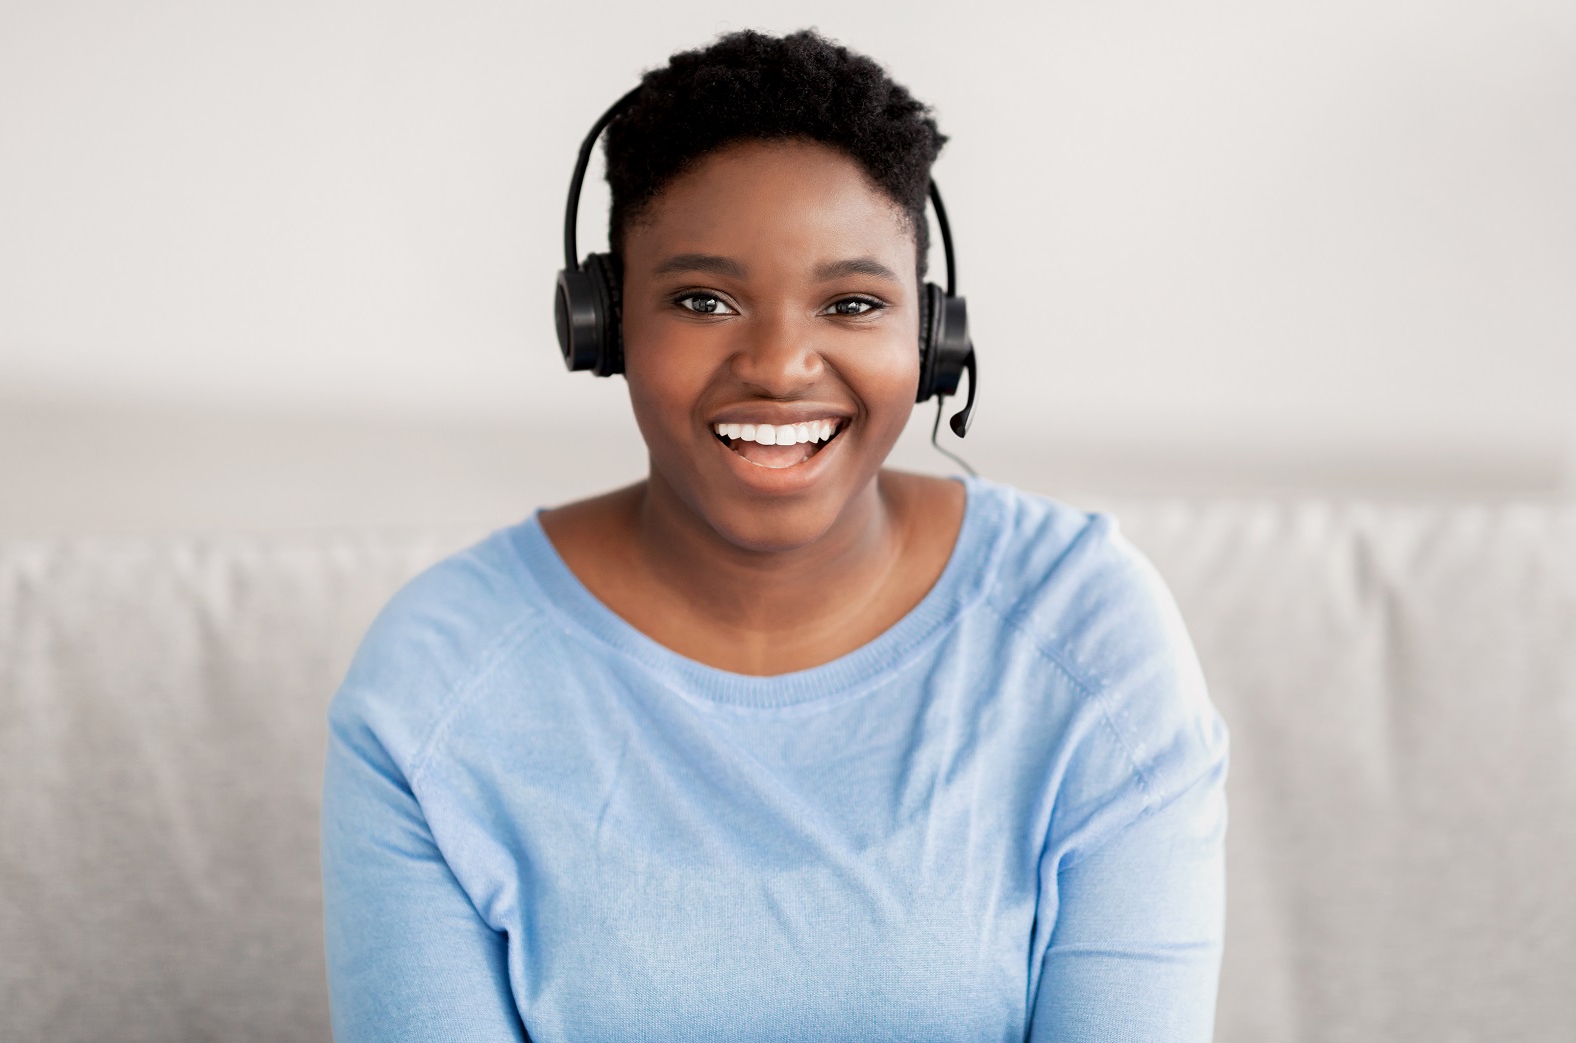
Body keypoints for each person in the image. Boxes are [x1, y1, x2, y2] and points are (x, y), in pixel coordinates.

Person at [321, 28, 1228, 1043]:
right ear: (603, 325)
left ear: (930, 341)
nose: (782, 364)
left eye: (851, 302)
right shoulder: (433, 686)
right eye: (704, 300)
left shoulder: (1088, 635)